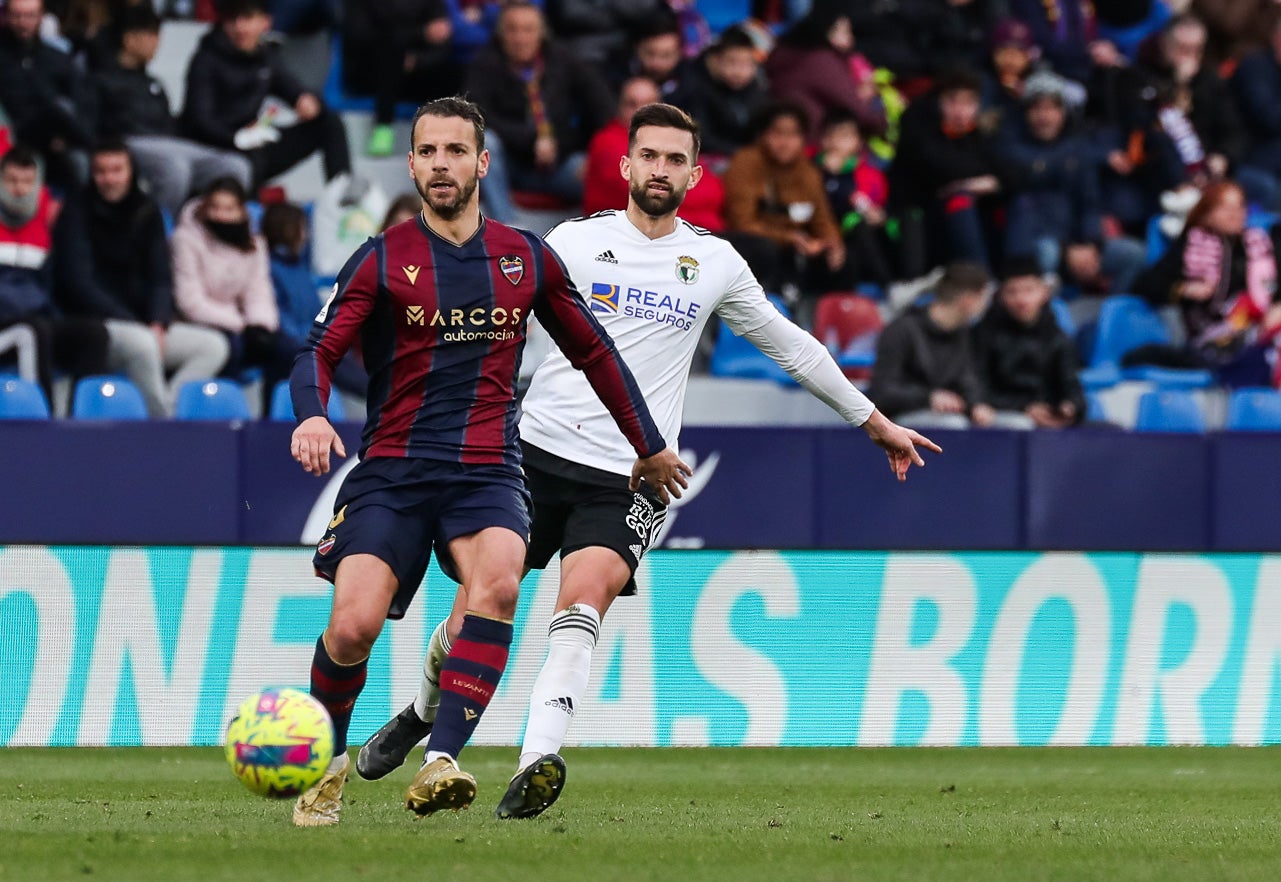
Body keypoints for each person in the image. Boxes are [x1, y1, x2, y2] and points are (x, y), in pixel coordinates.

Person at [354, 102, 940, 820]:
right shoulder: (572, 241)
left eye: (674, 160)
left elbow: (789, 344)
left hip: (634, 471)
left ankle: (538, 759)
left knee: (584, 601)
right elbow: (483, 315)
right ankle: (420, 712)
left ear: (694, 175)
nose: (659, 170)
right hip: (529, 454)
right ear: (625, 166)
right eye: (649, 157)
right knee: (478, 611)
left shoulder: (715, 262)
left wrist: (872, 420)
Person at [286, 95, 690, 826]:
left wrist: (649, 446)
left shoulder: (525, 257)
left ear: (481, 162)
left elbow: (594, 352)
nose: (441, 164)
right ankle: (328, 763)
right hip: (393, 471)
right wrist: (312, 413)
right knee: (351, 629)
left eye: (454, 151)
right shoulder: (383, 258)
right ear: (410, 164)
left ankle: (442, 759)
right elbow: (318, 351)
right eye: (428, 152)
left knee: (498, 585)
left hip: (486, 472)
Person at [52, 140, 230, 416]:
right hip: (96, 326)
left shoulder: (147, 211)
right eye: (101, 171)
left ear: (131, 171)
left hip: (146, 326)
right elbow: (79, 283)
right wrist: (135, 323)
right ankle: (161, 426)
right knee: (142, 343)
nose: (109, 179)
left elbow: (161, 276)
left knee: (213, 346)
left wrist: (158, 321)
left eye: (116, 170)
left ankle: (167, 406)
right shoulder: (76, 212)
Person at [92, 3, 252, 216]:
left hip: (172, 144)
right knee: (174, 167)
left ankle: (215, 229)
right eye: (152, 35)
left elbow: (172, 126)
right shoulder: (101, 80)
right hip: (130, 142)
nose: (157, 43)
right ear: (129, 38)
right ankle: (160, 229)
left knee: (235, 165)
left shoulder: (153, 83)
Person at [463, 1, 614, 222]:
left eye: (528, 30)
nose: (520, 38)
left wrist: (583, 150)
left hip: (559, 162)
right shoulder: (484, 64)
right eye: (512, 30)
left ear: (541, 33)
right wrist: (532, 139)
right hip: (509, 163)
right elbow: (475, 116)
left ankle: (603, 235)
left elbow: (602, 107)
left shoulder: (563, 60)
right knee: (485, 142)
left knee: (604, 169)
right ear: (500, 34)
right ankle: (508, 228)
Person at [180, 0, 354, 192]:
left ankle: (343, 195)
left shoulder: (264, 57)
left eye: (247, 18)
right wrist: (237, 138)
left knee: (328, 122)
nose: (240, 27)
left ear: (265, 22)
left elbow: (290, 87)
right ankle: (248, 213)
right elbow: (200, 121)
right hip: (215, 148)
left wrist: (303, 99)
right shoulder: (205, 60)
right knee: (252, 158)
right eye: (232, 20)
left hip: (253, 143)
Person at [1132, 180, 1281, 387]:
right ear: (1207, 213)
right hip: (1209, 338)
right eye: (1226, 208)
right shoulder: (1191, 244)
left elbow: (1275, 288)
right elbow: (1146, 284)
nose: (1235, 214)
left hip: (1257, 330)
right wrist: (1183, 289)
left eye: (1239, 207)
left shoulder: (1259, 243)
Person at [0, 145, 110, 405]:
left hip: (35, 321)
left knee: (93, 333)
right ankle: (44, 423)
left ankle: (82, 420)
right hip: (11, 326)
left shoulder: (47, 224)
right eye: (12, 180)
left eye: (27, 181)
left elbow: (48, 285)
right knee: (31, 331)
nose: (19, 188)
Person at [170, 176, 294, 405]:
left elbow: (258, 290)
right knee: (232, 349)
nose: (221, 216)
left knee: (288, 350)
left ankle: (275, 420)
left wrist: (260, 325)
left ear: (241, 211)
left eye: (228, 209)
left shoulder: (254, 244)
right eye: (215, 208)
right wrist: (239, 324)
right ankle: (219, 412)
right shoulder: (185, 239)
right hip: (198, 322)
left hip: (240, 322)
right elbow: (190, 302)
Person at [722, 101, 845, 308]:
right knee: (766, 250)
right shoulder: (746, 163)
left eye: (793, 135)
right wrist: (789, 238)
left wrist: (832, 242)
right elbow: (742, 222)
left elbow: (822, 219)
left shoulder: (808, 172)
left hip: (799, 245)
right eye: (778, 134)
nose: (785, 142)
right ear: (763, 135)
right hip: (757, 244)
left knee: (839, 256)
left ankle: (829, 315)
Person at [582, 76, 725, 231]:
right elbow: (649, 194)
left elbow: (715, 190)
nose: (640, 112)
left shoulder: (670, 139)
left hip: (685, 232)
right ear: (619, 107)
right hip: (625, 236)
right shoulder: (607, 142)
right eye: (632, 104)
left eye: (648, 104)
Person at [867, 260, 995, 428]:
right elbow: (882, 391)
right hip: (900, 419)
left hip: (949, 413)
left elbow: (967, 379)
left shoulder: (963, 334)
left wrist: (976, 404)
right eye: (983, 299)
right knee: (953, 425)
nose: (985, 307)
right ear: (968, 300)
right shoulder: (902, 330)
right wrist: (928, 398)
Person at [971, 255, 1086, 429]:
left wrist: (1070, 407)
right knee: (1022, 424)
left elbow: (1072, 387)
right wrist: (1024, 408)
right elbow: (976, 388)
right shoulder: (983, 334)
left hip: (1047, 417)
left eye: (1029, 290)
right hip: (1004, 417)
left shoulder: (1058, 338)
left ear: (1044, 293)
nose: (1021, 300)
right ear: (1000, 295)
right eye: (1012, 291)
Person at [0, 0, 97, 188]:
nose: (23, 22)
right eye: (17, 15)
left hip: (59, 139)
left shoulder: (57, 58)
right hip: (15, 134)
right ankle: (91, 143)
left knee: (83, 162)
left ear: (42, 16)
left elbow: (82, 101)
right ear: (6, 16)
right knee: (56, 110)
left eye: (30, 15)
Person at [815, 109, 894, 290]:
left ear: (858, 141)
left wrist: (880, 215)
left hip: (872, 231)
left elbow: (883, 202)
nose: (836, 143)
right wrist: (831, 174)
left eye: (845, 136)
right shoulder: (814, 170)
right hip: (834, 229)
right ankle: (887, 286)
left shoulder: (870, 173)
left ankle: (902, 282)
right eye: (831, 136)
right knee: (857, 226)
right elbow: (822, 204)